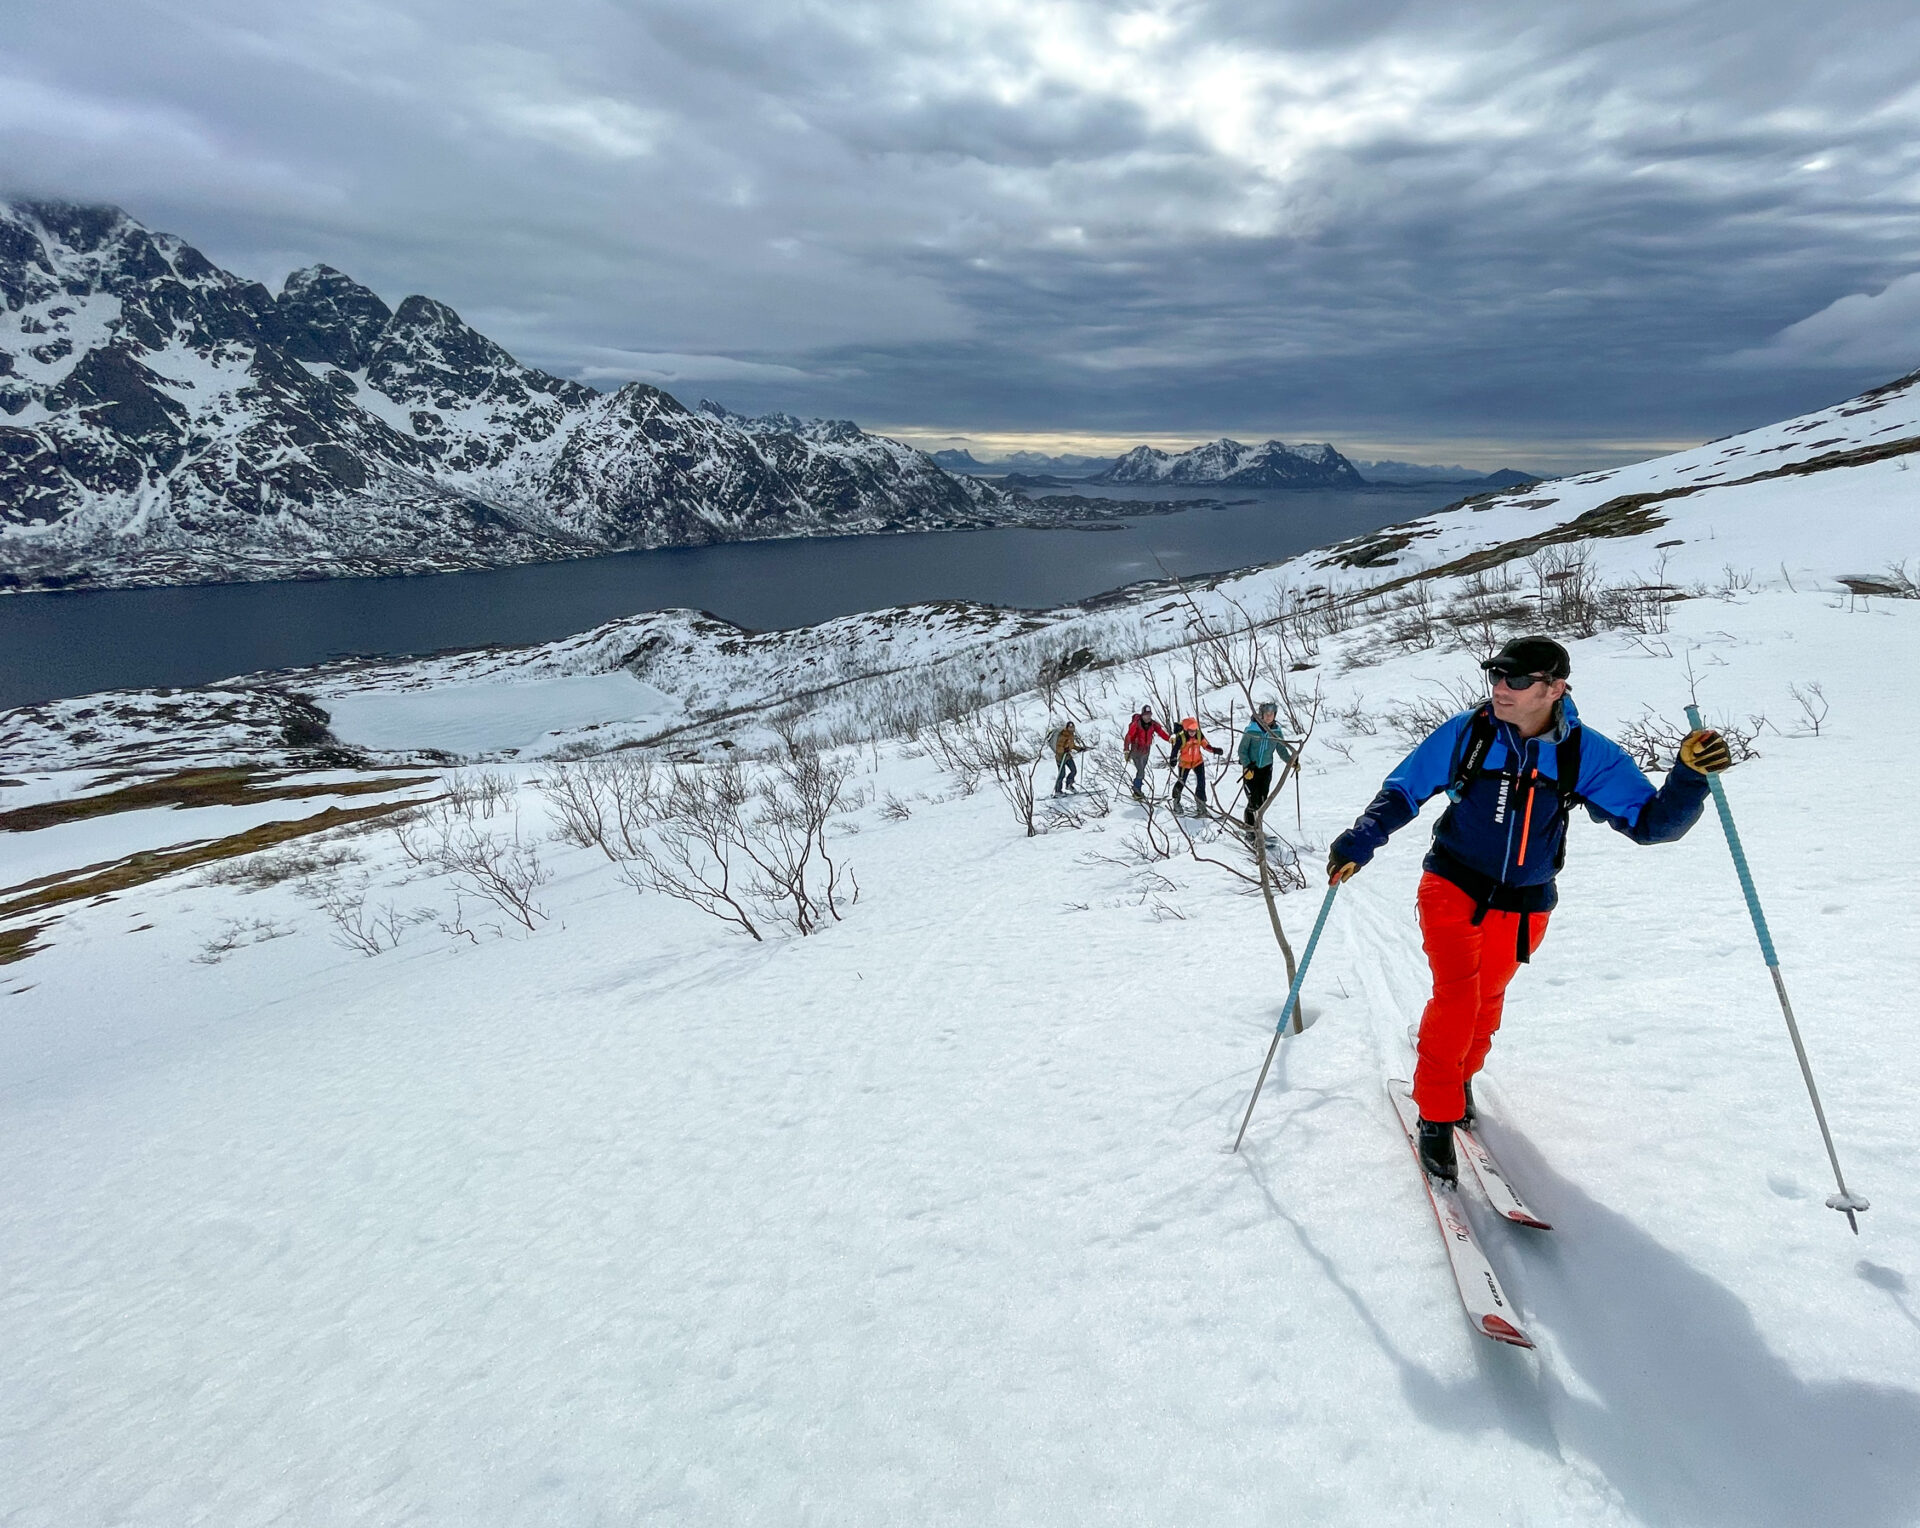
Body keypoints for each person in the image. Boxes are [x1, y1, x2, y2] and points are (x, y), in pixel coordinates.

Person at [1325, 636, 1732, 1184]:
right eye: (1496, 676)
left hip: (1525, 904)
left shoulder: (1584, 754)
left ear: (1555, 688)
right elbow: (1405, 789)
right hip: (1452, 883)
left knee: (1487, 1000)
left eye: (1516, 680)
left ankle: (1460, 1075)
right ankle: (1437, 1113)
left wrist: (1688, 777)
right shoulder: (1469, 735)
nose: (1500, 689)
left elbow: (1654, 825)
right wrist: (1361, 839)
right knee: (1457, 994)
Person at [1238, 700, 1295, 828]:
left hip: (1266, 770)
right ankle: (1250, 829)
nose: (1269, 716)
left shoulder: (1276, 732)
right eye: (1266, 713)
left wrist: (1292, 762)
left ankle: (1258, 829)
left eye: (1272, 714)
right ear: (1261, 714)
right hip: (1251, 770)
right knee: (1254, 802)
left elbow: (1281, 750)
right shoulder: (1252, 730)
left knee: (1262, 802)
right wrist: (1246, 766)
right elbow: (1242, 750)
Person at [1169, 716, 1224, 813]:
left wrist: (1215, 750)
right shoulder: (1181, 737)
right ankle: (1176, 802)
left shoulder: (1199, 735)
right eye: (1190, 731)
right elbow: (1175, 749)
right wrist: (1173, 759)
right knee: (1181, 782)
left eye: (1194, 730)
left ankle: (1201, 803)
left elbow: (1206, 745)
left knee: (1201, 782)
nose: (1193, 732)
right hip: (1184, 763)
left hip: (1198, 762)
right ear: (1186, 729)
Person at [1124, 706, 1172, 798]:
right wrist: (1126, 750)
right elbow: (1129, 736)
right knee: (1141, 771)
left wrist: (1169, 739)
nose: (1148, 717)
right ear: (1142, 715)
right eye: (1146, 715)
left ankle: (1137, 790)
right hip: (1136, 750)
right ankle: (1137, 791)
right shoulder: (1136, 724)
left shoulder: (1153, 724)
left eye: (1149, 715)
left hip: (1146, 750)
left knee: (1142, 770)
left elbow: (1161, 732)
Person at [1051, 719, 1088, 795]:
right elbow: (1058, 748)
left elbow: (1072, 746)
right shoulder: (1062, 735)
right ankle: (1058, 791)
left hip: (1067, 756)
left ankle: (1069, 785)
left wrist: (1079, 748)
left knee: (1073, 770)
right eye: (1070, 727)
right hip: (1060, 757)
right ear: (1067, 728)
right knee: (1062, 774)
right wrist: (1064, 750)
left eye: (1073, 727)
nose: (1072, 729)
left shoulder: (1071, 735)